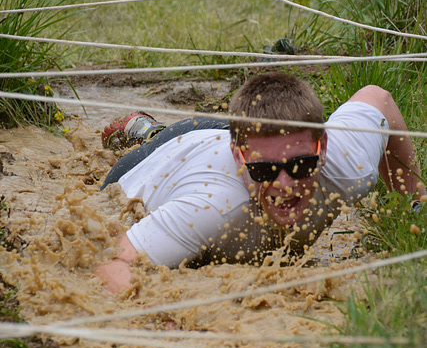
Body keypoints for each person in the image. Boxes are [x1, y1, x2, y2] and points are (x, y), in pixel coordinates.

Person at [94, 71, 425, 293]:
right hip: (159, 160)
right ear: (240, 160)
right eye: (266, 172)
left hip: (242, 139)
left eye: (300, 165)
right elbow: (111, 264)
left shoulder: (349, 165)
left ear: (321, 150)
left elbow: (378, 98)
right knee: (155, 140)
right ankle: (143, 130)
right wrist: (160, 313)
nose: (284, 184)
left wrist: (415, 206)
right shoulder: (211, 206)